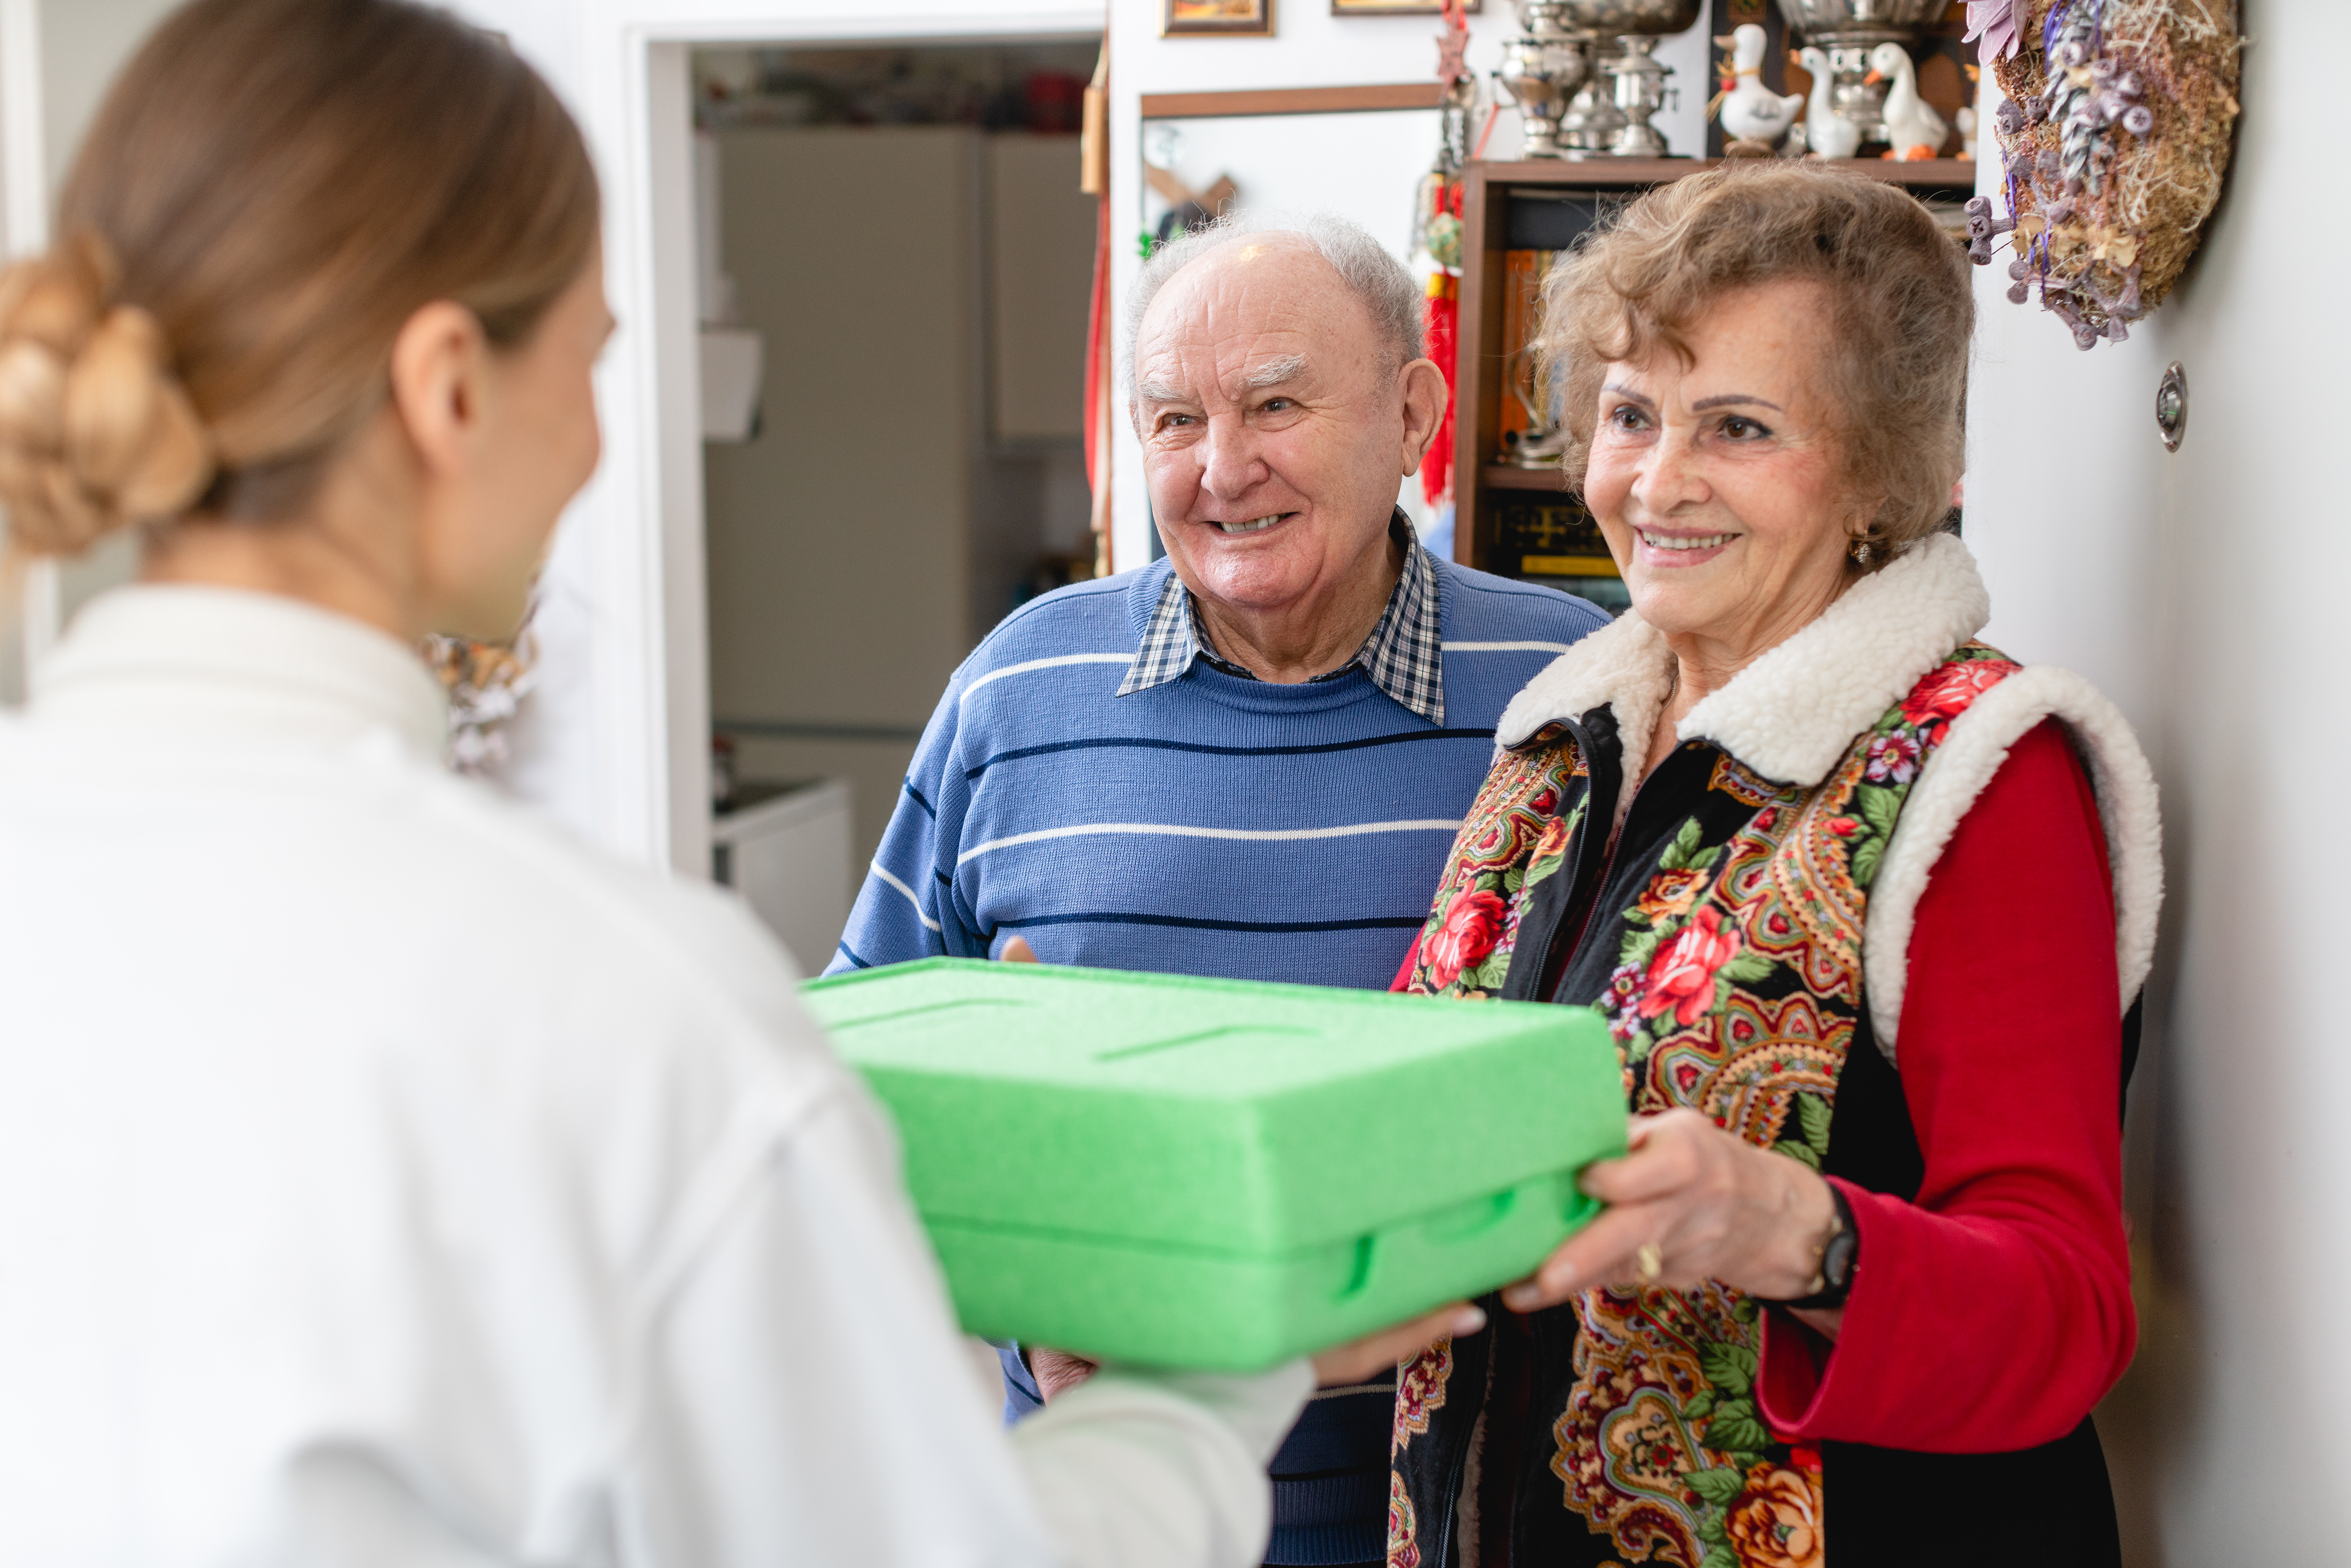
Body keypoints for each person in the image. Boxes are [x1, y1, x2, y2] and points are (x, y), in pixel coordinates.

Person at [0, 4, 1476, 1564]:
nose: (590, 444)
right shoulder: (606, 996)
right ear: (448, 389)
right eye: (592, 361)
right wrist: (1211, 1362)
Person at [1384, 164, 2161, 1568]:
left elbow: (2069, 1312)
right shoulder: (1556, 750)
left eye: (1737, 426)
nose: (1659, 479)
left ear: (1878, 468)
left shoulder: (1981, 770)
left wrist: (1784, 1224)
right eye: (1630, 415)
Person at [830, 212, 1610, 1565]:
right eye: (1175, 419)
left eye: (1276, 405)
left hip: (1476, 1519)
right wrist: (1026, 1283)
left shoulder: (1571, 689)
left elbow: (1643, 1070)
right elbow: (850, 1087)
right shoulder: (1019, 687)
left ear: (1413, 410)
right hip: (1097, 1515)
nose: (1222, 468)